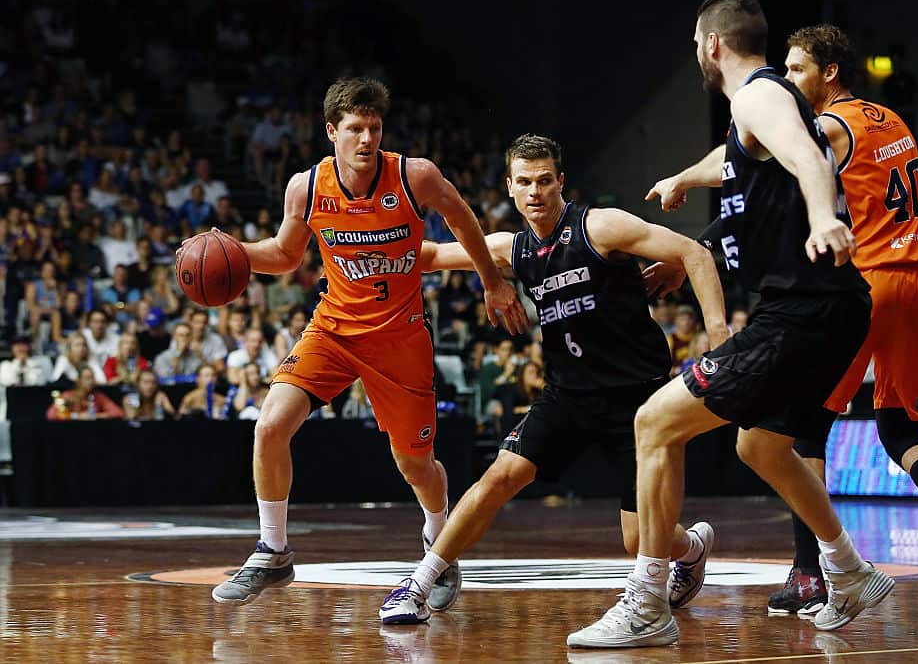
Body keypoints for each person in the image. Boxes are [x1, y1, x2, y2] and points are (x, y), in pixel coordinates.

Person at [571, 0, 893, 648]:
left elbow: (803, 153)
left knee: (654, 423)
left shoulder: (755, 95)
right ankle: (847, 568)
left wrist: (826, 213)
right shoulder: (753, 115)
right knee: (759, 445)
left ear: (713, 44)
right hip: (831, 309)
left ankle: (648, 601)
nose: (695, 51)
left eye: (696, 41)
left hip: (801, 311)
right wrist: (683, 179)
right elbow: (741, 161)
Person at [191, 77, 524, 607]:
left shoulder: (414, 176)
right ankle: (273, 550)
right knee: (270, 425)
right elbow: (284, 254)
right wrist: (231, 250)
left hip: (400, 337)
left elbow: (461, 220)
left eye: (374, 128)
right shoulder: (306, 187)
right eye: (354, 129)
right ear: (332, 132)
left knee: (415, 464)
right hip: (335, 328)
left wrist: (490, 280)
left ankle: (439, 541)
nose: (366, 139)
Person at [378, 134, 726, 625]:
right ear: (510, 188)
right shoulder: (513, 248)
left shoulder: (600, 227)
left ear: (561, 182)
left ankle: (690, 549)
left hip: (638, 402)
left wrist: (719, 338)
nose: (535, 191)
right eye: (524, 182)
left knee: (638, 540)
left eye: (544, 180)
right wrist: (359, 244)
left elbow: (694, 253)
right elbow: (431, 255)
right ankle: (420, 582)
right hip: (567, 396)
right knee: (501, 474)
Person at [742, 23, 918, 614]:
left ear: (830, 73)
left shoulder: (829, 126)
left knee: (804, 430)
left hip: (869, 286)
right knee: (899, 430)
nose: (789, 81)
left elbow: (755, 151)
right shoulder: (894, 122)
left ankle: (809, 574)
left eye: (797, 70)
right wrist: (912, 278)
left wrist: (681, 179)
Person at [46, 367, 124, 420]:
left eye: (92, 378)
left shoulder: (98, 397)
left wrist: (94, 416)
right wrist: (77, 416)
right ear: (79, 381)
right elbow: (51, 415)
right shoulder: (68, 396)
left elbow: (118, 413)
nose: (91, 382)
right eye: (87, 378)